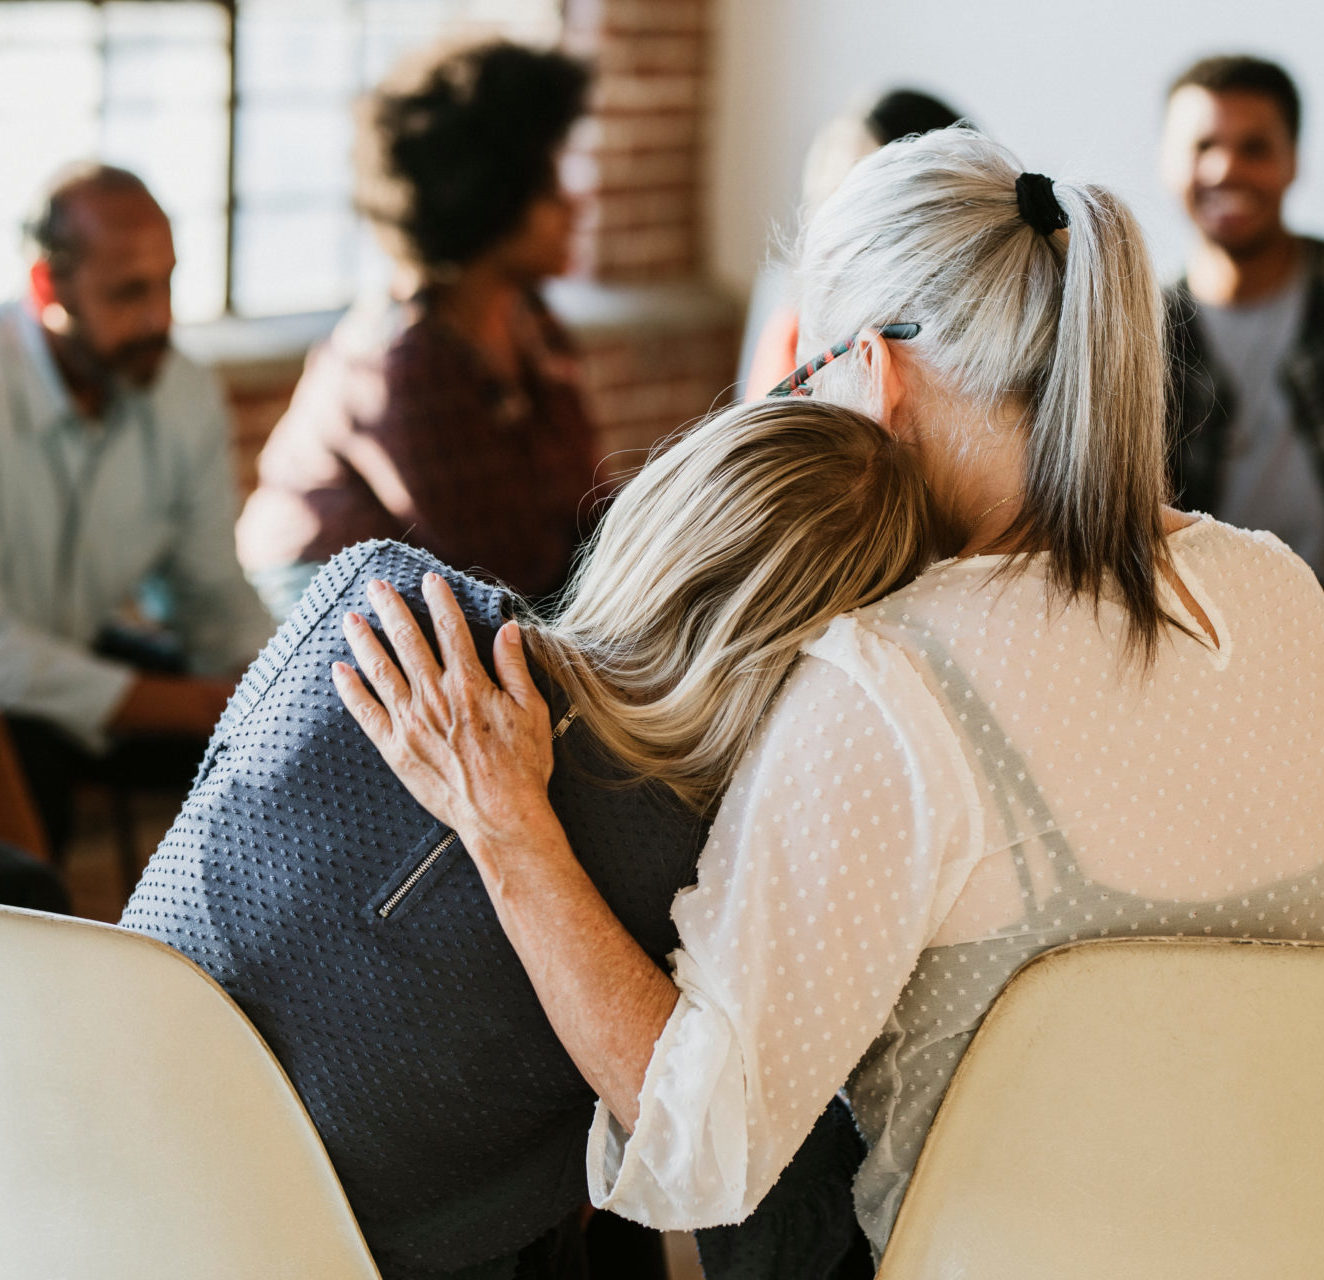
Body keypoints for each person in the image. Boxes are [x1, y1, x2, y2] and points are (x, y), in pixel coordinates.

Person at [336, 127, 1324, 1261]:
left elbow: (697, 1146)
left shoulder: (892, 680)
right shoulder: (1281, 590)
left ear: (882, 371)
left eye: (813, 370)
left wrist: (504, 824)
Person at [125, 396, 933, 1280]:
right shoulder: (714, 873)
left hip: (94, 1136)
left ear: (661, 509)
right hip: (334, 1252)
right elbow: (759, 1212)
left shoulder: (376, 591)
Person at [237, 40, 600, 619]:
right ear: (492, 198)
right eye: (550, 186)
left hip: (473, 600)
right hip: (337, 617)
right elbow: (501, 571)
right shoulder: (403, 361)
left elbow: (586, 504)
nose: (576, 204)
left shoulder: (530, 319)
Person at [0, 163, 272, 855]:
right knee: (28, 762)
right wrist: (180, 704)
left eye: (168, 283)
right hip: (17, 699)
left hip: (85, 657)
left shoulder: (183, 392)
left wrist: (270, 687)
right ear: (46, 287)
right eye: (130, 292)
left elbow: (208, 590)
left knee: (269, 754)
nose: (160, 318)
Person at [1162, 55, 1324, 578]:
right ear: (1168, 161)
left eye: (1254, 147)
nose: (1225, 168)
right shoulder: (1137, 336)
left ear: (1293, 160)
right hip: (1213, 645)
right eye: (1204, 145)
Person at [739, 87, 965, 400]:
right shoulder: (790, 318)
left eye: (841, 198)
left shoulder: (939, 351)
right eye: (815, 199)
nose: (817, 224)